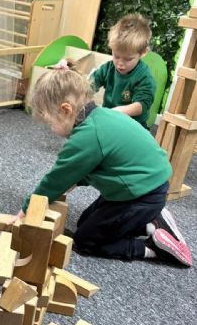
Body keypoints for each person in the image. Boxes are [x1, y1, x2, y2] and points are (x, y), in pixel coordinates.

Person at [13, 68, 192, 267]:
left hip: (140, 195)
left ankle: (152, 249)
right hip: (142, 187)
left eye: (50, 123)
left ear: (66, 110)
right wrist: (77, 180)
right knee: (84, 222)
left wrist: (26, 210)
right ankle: (153, 222)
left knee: (85, 241)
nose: (51, 130)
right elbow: (103, 162)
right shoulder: (102, 115)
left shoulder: (85, 137)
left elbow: (55, 180)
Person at [92, 13, 155, 127]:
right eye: (116, 56)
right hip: (109, 119)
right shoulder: (108, 68)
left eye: (128, 59)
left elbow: (141, 105)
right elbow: (91, 84)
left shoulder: (144, 77)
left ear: (143, 53)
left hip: (133, 126)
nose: (120, 64)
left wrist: (117, 111)